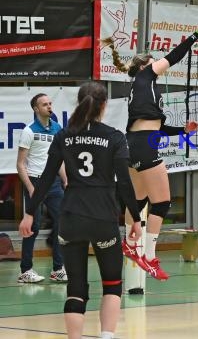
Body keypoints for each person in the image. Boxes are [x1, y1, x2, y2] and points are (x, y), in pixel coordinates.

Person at [19, 82, 143, 339]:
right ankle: (106, 335)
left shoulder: (63, 135)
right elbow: (125, 182)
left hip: (71, 218)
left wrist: (30, 213)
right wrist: (136, 218)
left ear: (79, 103)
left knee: (75, 287)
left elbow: (45, 178)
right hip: (103, 218)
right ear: (103, 105)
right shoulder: (114, 137)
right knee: (111, 283)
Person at [104, 28, 198, 280]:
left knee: (140, 199)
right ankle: (150, 257)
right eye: (153, 59)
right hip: (142, 144)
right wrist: (197, 34)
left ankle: (130, 245)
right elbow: (175, 56)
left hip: (134, 142)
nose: (158, 61)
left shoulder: (142, 87)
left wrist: (182, 131)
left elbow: (156, 125)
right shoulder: (146, 76)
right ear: (145, 64)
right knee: (163, 202)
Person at [16, 93, 68, 283]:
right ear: (36, 109)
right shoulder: (29, 131)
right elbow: (20, 164)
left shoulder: (57, 129)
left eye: (50, 103)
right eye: (44, 104)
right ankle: (26, 270)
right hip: (35, 182)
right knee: (32, 227)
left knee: (62, 223)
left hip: (54, 183)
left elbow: (59, 160)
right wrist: (30, 188)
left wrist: (65, 179)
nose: (49, 107)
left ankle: (58, 269)